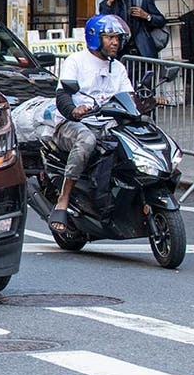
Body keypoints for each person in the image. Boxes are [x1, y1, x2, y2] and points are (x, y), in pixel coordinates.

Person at [45, 14, 134, 233]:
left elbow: (128, 99)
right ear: (95, 37)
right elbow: (63, 96)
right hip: (72, 124)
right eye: (110, 37)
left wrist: (148, 102)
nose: (115, 42)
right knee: (87, 140)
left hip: (106, 123)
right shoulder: (76, 61)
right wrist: (74, 111)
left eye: (117, 38)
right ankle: (64, 199)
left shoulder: (118, 68)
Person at [98, 0, 167, 58]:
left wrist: (146, 16)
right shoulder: (105, 4)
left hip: (143, 53)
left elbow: (161, 20)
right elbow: (103, 26)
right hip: (119, 56)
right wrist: (110, 2)